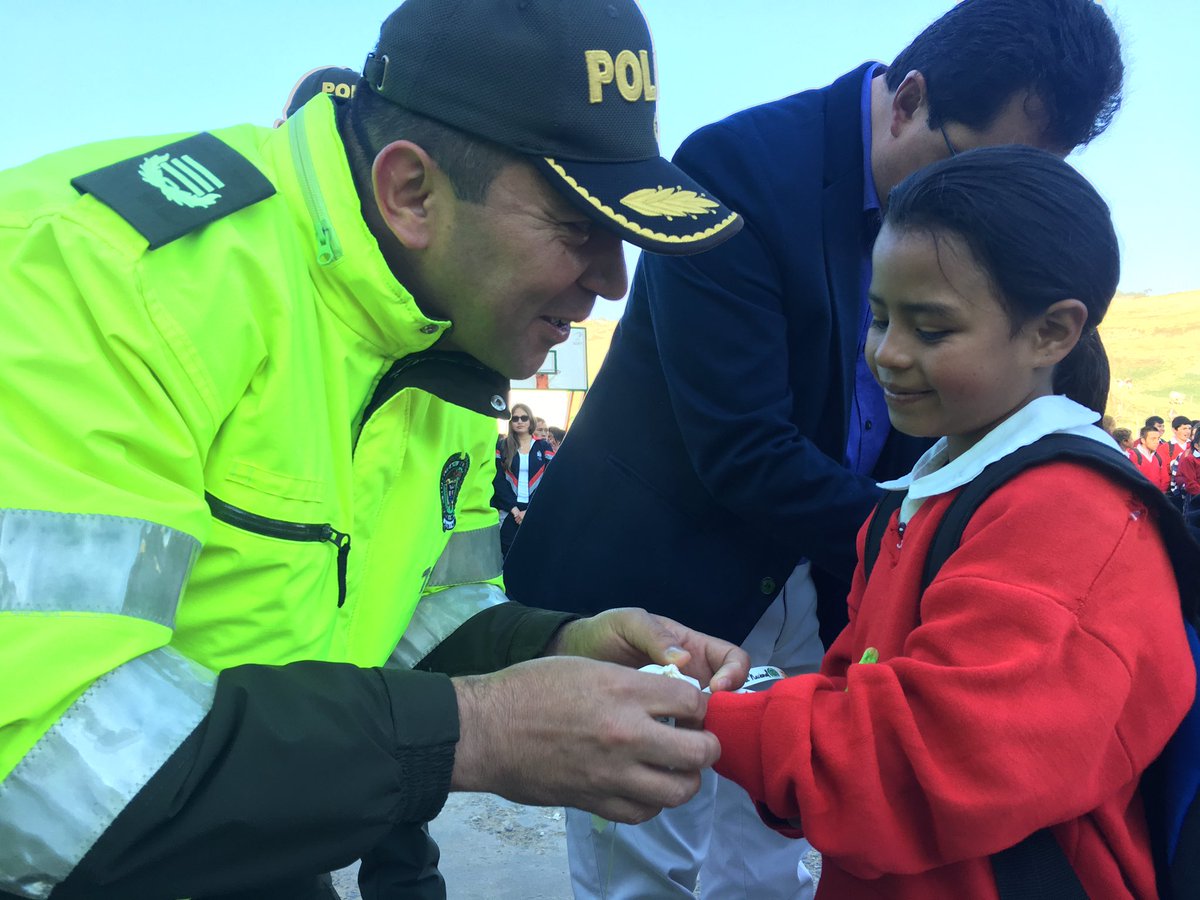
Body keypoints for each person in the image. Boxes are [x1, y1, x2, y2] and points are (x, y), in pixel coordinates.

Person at [0, 2, 752, 899]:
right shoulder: (100, 278)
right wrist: (482, 730)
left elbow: (417, 627)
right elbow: (42, 777)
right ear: (410, 193)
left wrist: (557, 647)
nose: (612, 282)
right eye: (573, 225)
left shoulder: (445, 335)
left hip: (245, 842)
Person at [502, 0, 1125, 896]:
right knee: (649, 855)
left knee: (774, 845)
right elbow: (744, 448)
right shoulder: (734, 172)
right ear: (908, 101)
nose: (990, 214)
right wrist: (927, 538)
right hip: (669, 578)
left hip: (824, 574)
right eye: (977, 167)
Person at [704, 146, 1194, 899]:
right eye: (877, 317)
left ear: (1052, 334)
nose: (887, 354)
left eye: (931, 329)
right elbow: (852, 692)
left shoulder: (1071, 519)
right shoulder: (918, 498)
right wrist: (755, 702)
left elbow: (921, 765)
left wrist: (712, 722)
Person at [493, 403, 554, 556]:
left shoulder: (543, 446)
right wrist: (514, 509)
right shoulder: (502, 446)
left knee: (533, 554)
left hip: (534, 508)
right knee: (505, 554)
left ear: (530, 421)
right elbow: (497, 479)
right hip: (509, 510)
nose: (519, 421)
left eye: (524, 418)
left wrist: (529, 510)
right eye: (515, 418)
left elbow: (550, 480)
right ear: (511, 422)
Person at [1129, 424, 1171, 491]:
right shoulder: (1132, 455)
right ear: (1143, 440)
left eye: (1158, 439)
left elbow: (1165, 480)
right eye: (1153, 439)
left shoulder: (1158, 456)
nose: (1157, 442)